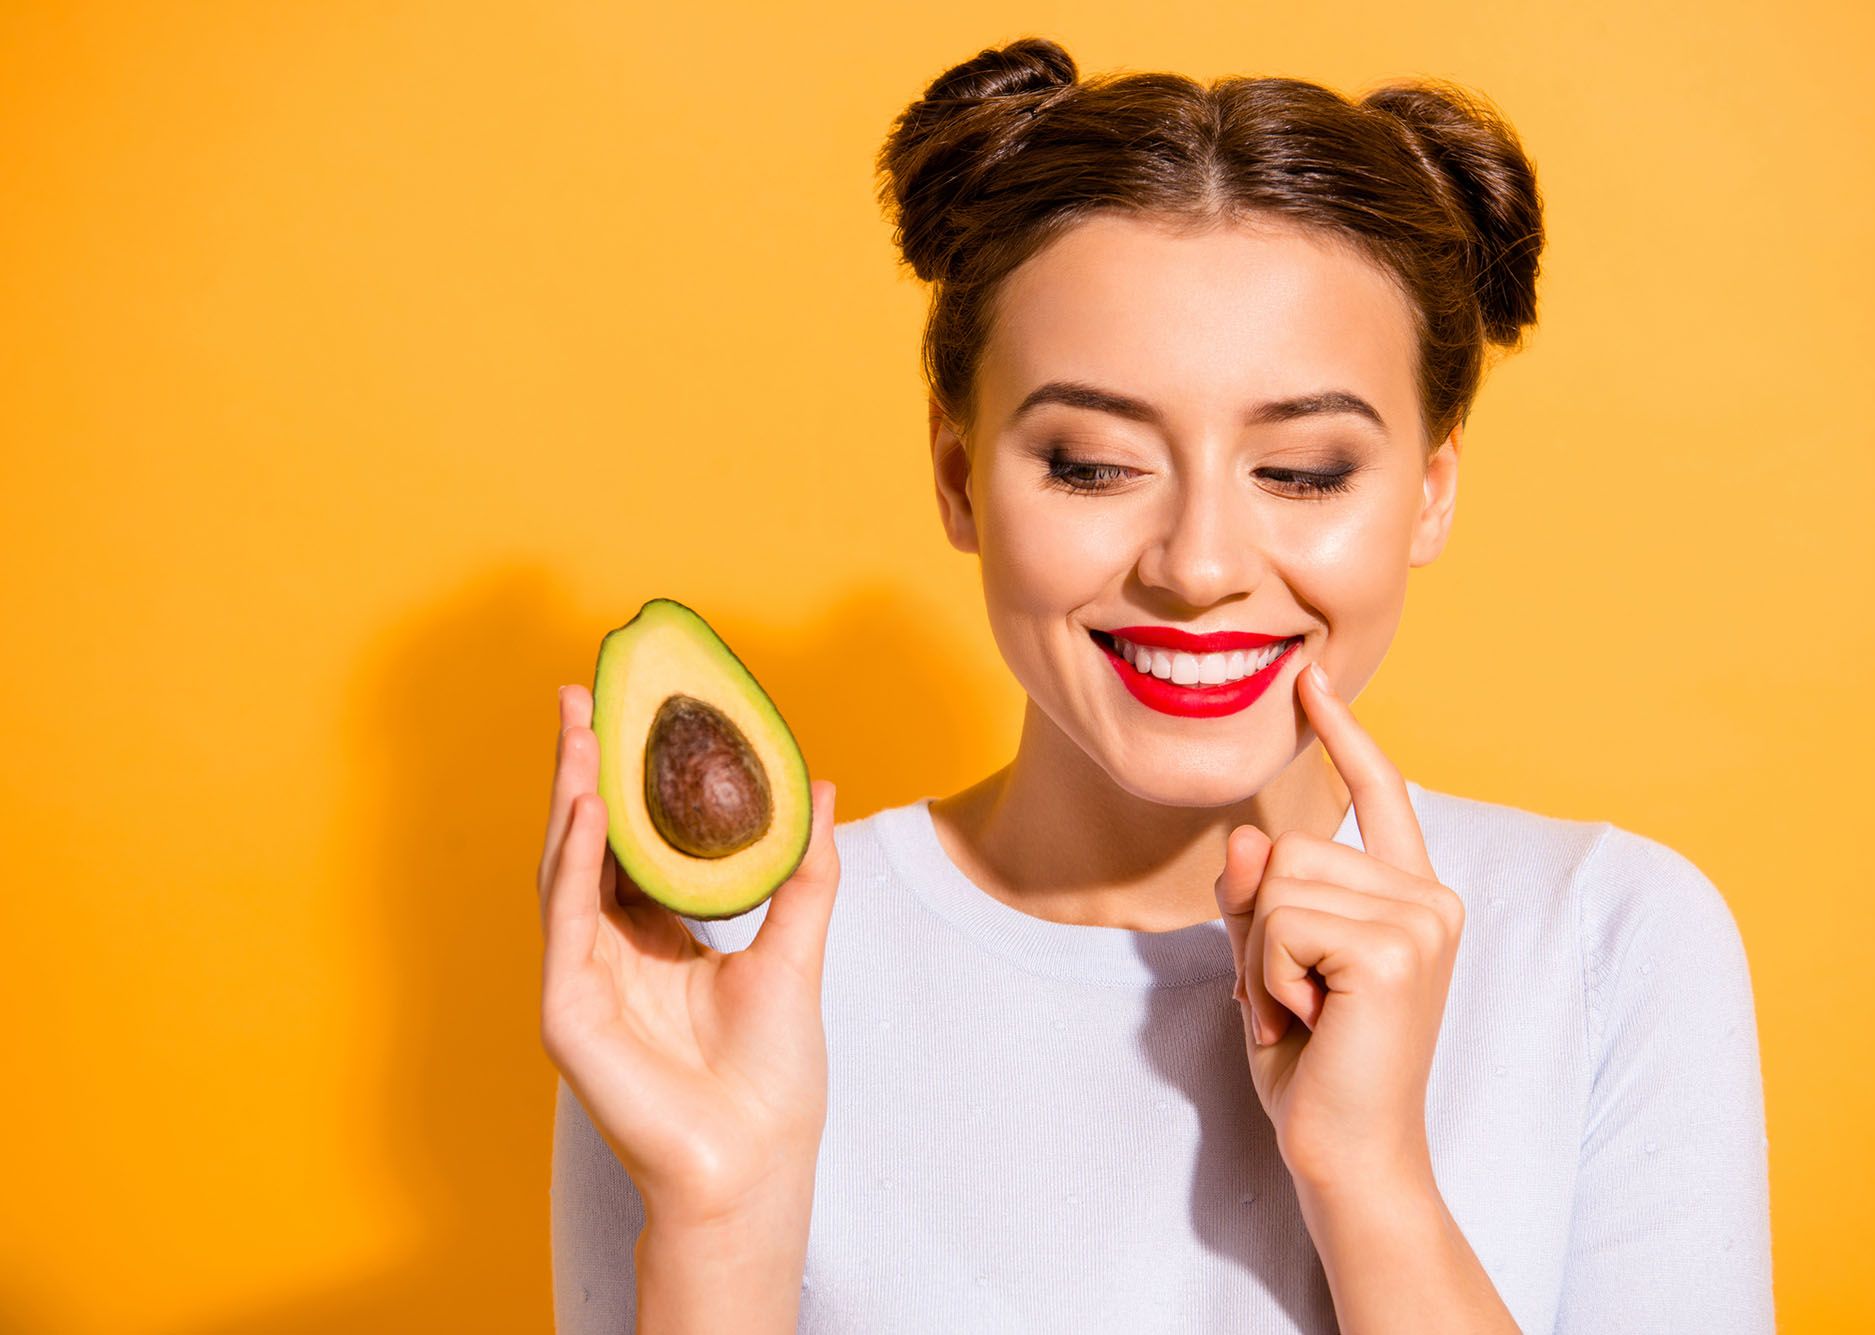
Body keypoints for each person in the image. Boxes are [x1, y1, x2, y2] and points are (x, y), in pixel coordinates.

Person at [538, 35, 1774, 1335]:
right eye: (1090, 464)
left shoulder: (1606, 941)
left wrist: (1373, 1184)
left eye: (1301, 471)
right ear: (959, 476)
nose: (1197, 566)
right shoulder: (720, 981)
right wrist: (720, 1222)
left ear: (1430, 491)